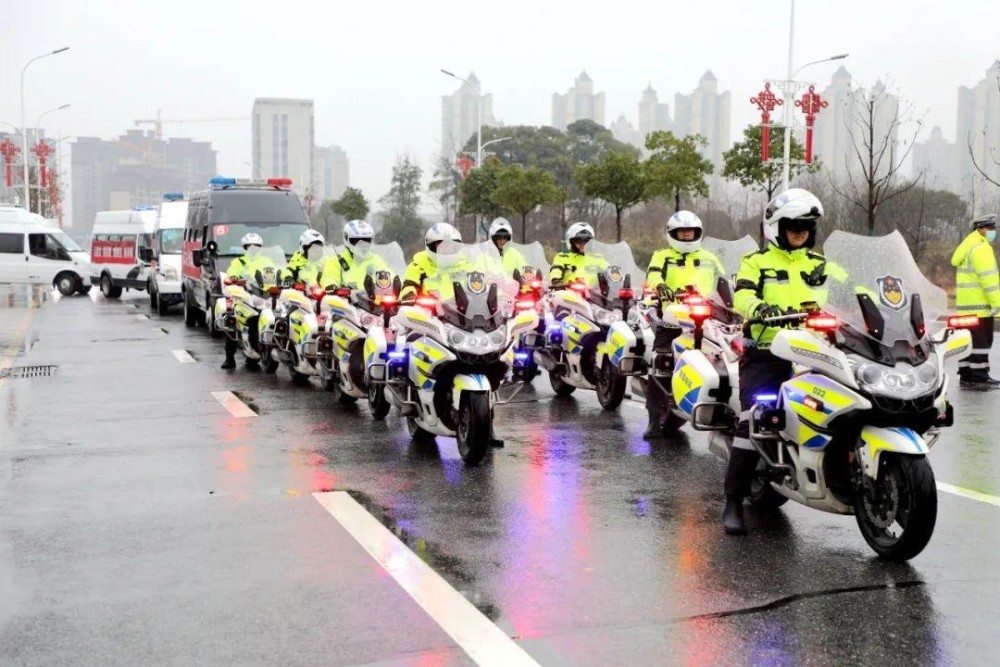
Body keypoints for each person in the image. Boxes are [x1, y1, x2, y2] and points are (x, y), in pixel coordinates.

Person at [724, 188, 831, 536]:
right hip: (767, 352)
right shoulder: (757, 262)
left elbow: (851, 293)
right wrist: (760, 309)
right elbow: (742, 294)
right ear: (776, 226)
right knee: (755, 417)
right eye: (793, 224)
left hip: (817, 351)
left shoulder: (820, 264)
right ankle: (733, 500)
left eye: (806, 225)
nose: (801, 231)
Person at [642, 211, 725, 439]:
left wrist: (731, 303)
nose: (687, 234)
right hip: (673, 317)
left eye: (691, 231)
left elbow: (724, 282)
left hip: (707, 317)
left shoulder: (710, 257)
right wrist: (660, 287)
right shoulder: (663, 255)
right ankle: (652, 419)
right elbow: (653, 275)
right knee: (659, 360)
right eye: (682, 231)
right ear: (673, 233)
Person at [951, 213, 1000, 388]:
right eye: (990, 228)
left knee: (966, 342)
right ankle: (979, 377)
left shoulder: (967, 248)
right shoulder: (981, 248)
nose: (993, 231)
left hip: (965, 308)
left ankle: (966, 376)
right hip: (980, 308)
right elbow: (989, 280)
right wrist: (997, 304)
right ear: (980, 230)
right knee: (981, 343)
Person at [221, 233, 277, 370]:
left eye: (256, 246)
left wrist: (275, 285)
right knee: (231, 319)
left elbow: (272, 275)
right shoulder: (238, 262)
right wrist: (234, 278)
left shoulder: (266, 261)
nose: (253, 249)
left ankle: (260, 352)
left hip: (261, 296)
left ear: (260, 247)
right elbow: (231, 273)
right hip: (244, 296)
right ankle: (229, 357)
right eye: (249, 246)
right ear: (245, 247)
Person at [399, 223, 464, 303]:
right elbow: (410, 282)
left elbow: (477, 282)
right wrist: (409, 293)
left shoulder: (465, 264)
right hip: (428, 311)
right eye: (441, 245)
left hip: (461, 311)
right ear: (432, 246)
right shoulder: (419, 264)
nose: (446, 248)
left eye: (449, 244)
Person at [319, 220, 390, 290]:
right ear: (347, 239)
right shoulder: (337, 260)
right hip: (345, 300)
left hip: (372, 299)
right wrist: (331, 285)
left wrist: (397, 283)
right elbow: (329, 277)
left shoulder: (376, 260)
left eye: (366, 241)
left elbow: (389, 276)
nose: (362, 245)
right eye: (356, 241)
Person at [549, 223, 608, 288]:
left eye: (586, 241)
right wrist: (556, 280)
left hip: (594, 295)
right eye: (578, 241)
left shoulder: (598, 258)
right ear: (572, 242)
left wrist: (616, 278)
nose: (583, 244)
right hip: (567, 294)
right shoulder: (562, 256)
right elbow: (556, 269)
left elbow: (609, 271)